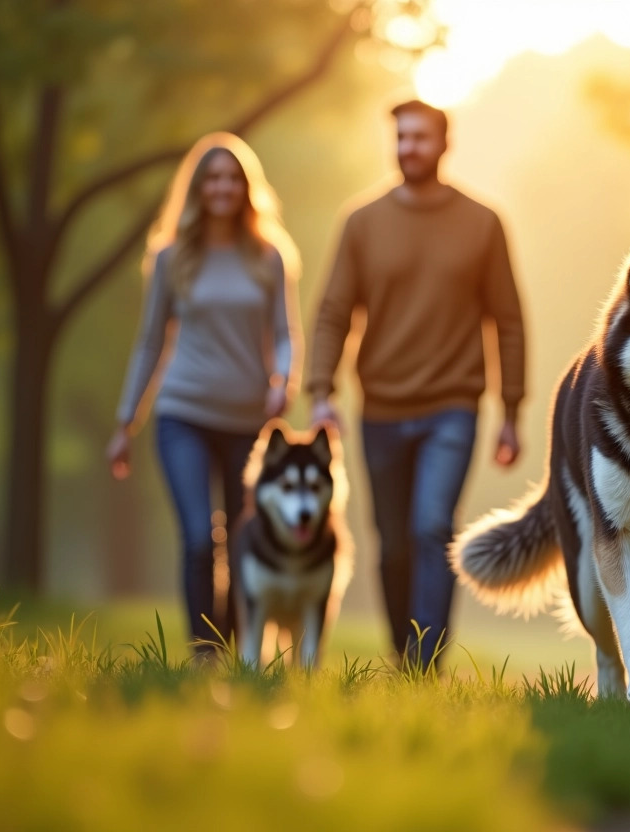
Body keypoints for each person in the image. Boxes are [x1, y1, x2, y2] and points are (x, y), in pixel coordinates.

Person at [306, 99, 527, 668]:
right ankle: (402, 655)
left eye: (420, 138)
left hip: (452, 406)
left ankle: (424, 666)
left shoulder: (482, 222)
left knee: (432, 527)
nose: (409, 148)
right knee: (392, 543)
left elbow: (507, 319)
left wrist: (511, 410)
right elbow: (333, 311)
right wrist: (321, 392)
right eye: (401, 138)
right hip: (379, 406)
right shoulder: (362, 221)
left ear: (444, 144)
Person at [107, 132, 301, 658]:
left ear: (246, 187)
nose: (222, 187)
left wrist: (283, 380)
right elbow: (150, 342)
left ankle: (239, 651)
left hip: (247, 420)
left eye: (232, 179)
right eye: (213, 178)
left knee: (243, 543)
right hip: (183, 414)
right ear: (197, 187)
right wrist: (126, 424)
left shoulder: (270, 256)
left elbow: (286, 333)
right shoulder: (172, 257)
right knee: (199, 537)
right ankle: (204, 654)